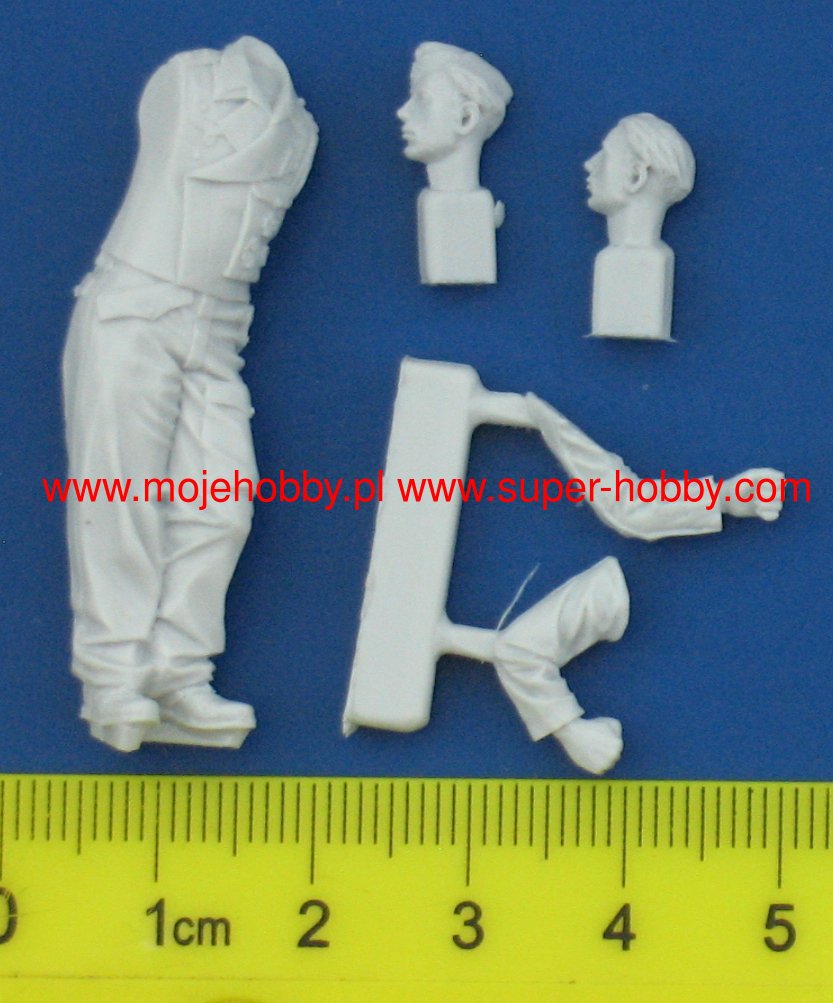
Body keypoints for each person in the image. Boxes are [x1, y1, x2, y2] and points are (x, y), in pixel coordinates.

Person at [62, 37, 318, 752]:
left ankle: (176, 669)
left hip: (219, 330)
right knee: (120, 498)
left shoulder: (299, 131)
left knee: (222, 506)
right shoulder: (190, 81)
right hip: (139, 306)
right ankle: (114, 676)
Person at [396, 42, 513, 284]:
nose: (403, 112)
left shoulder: (467, 206)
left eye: (422, 100)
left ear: (465, 118)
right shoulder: (433, 203)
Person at [584, 113, 695, 339]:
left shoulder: (653, 260)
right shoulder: (612, 258)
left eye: (605, 155)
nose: (589, 164)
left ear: (637, 176)